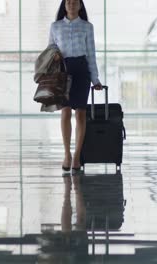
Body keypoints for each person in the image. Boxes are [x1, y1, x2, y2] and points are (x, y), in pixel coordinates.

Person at [49, 0, 103, 172]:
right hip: (63, 72)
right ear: (64, 5)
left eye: (75, 2)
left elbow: (91, 54)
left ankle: (77, 156)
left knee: (80, 114)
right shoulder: (55, 26)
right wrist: (55, 56)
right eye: (68, 2)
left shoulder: (87, 27)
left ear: (80, 5)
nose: (71, 4)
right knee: (65, 112)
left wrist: (95, 79)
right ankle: (67, 154)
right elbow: (50, 50)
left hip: (81, 71)